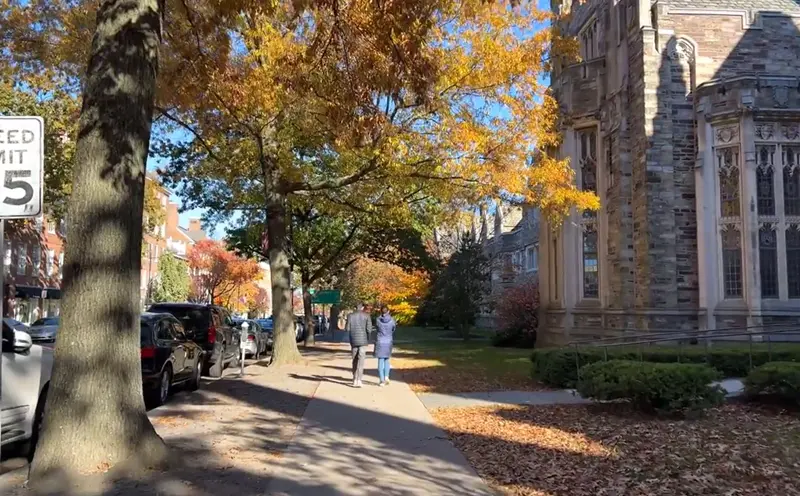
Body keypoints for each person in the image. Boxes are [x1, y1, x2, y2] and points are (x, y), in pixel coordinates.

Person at [345, 302, 372, 388]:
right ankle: (359, 380)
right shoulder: (366, 316)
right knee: (361, 360)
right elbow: (369, 329)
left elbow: (347, 329)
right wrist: (368, 338)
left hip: (353, 340)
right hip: (363, 340)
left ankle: (354, 379)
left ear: (355, 307)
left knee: (354, 360)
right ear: (362, 307)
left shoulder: (350, 316)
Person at [374, 305, 396, 386]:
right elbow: (393, 329)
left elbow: (377, 328)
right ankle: (387, 376)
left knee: (380, 360)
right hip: (388, 341)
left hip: (380, 341)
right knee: (387, 359)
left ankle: (381, 379)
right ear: (388, 311)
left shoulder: (378, 320)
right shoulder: (392, 320)